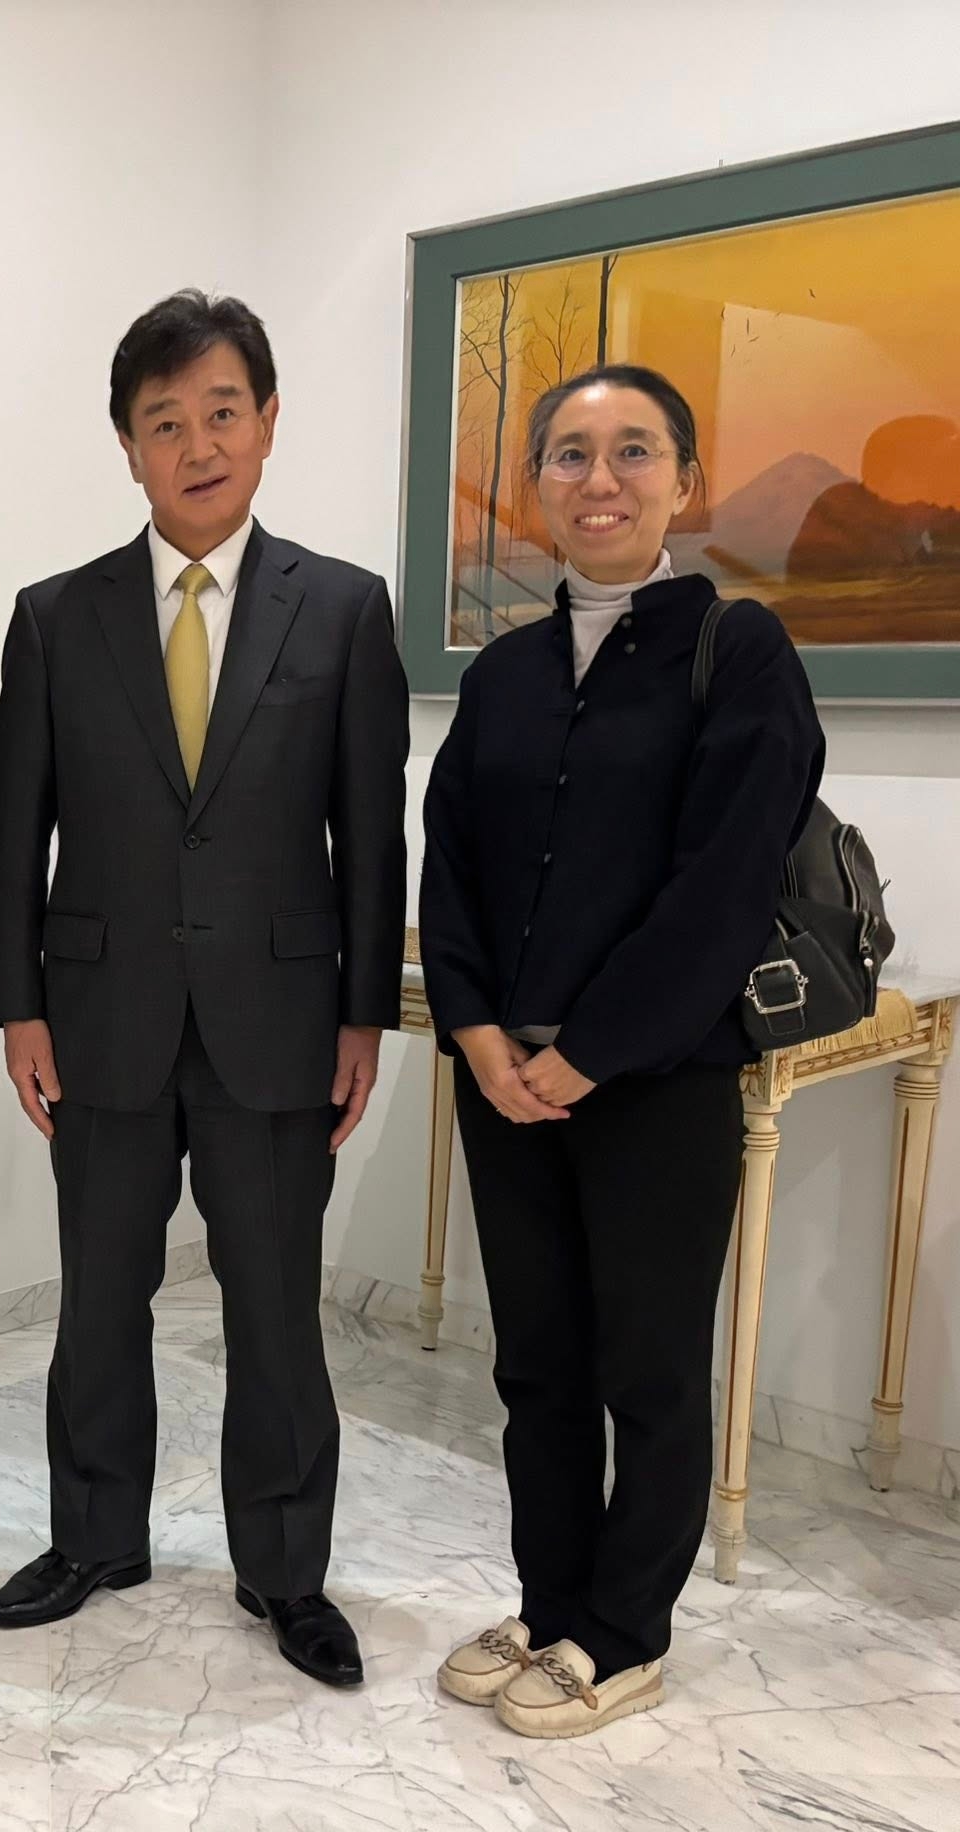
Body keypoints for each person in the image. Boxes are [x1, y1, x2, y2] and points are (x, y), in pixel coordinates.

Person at [0, 291, 409, 1688]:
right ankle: (94, 1536)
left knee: (273, 1309)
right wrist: (16, 1003)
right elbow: (15, 826)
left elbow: (370, 832)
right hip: (97, 1017)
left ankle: (284, 1570)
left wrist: (363, 1012)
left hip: (277, 1025)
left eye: (223, 411)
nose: (197, 444)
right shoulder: (55, 617)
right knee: (98, 1298)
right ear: (127, 445)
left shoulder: (341, 609)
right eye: (164, 421)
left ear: (267, 423)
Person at [421, 363, 824, 1738]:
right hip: (503, 1081)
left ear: (684, 481)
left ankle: (626, 1630)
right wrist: (478, 1035)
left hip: (655, 1081)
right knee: (534, 1363)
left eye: (633, 451)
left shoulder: (738, 651)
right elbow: (449, 865)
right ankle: (549, 1602)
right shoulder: (503, 673)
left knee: (646, 1368)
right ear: (535, 488)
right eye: (570, 455)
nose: (600, 479)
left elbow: (724, 885)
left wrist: (588, 1052)